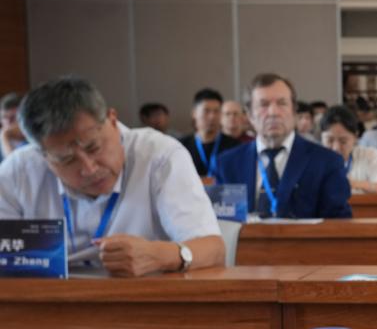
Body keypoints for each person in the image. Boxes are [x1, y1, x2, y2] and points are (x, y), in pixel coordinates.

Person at [0, 76, 224, 276]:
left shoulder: (160, 156)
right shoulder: (18, 171)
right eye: (67, 160)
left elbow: (213, 249)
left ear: (112, 120)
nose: (89, 168)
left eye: (93, 147)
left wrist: (159, 255)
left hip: (143, 299)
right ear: (43, 156)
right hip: (47, 302)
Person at [213, 73, 351, 219]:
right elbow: (224, 223)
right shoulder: (227, 164)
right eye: (264, 104)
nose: (273, 112)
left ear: (294, 112)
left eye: (282, 103)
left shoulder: (326, 162)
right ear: (249, 116)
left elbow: (338, 225)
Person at [319, 105, 377, 195]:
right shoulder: (312, 159)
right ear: (321, 137)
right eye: (330, 140)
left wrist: (355, 184)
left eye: (343, 141)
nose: (336, 147)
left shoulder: (368, 155)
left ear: (355, 138)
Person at [178, 88, 242, 178]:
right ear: (194, 113)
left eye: (216, 111)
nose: (212, 116)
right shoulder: (181, 147)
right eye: (206, 111)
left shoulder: (235, 147)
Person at [0, 92, 25, 160]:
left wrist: (5, 136)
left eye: (13, 117)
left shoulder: (33, 139)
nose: (8, 122)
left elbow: (15, 165)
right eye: (4, 117)